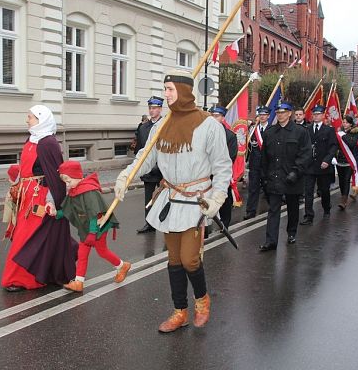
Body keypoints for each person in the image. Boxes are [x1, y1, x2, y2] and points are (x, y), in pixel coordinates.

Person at [114, 69, 231, 332]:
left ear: (184, 91)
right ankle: (180, 312)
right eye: (164, 89)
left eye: (170, 90)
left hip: (196, 199)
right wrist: (125, 176)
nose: (165, 95)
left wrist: (218, 197)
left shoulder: (208, 125)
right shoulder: (161, 125)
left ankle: (202, 301)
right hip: (170, 198)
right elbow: (145, 157)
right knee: (174, 260)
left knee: (190, 259)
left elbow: (223, 167)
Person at [1, 105, 78, 292]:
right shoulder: (31, 139)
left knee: (28, 238)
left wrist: (52, 201)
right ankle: (51, 270)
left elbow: (55, 176)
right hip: (26, 195)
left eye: (31, 117)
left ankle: (19, 279)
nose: (27, 120)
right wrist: (16, 179)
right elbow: (28, 168)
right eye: (28, 116)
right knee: (35, 236)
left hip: (40, 196)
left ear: (41, 120)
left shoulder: (48, 143)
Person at [56, 160, 131, 292]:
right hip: (87, 228)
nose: (67, 185)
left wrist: (92, 233)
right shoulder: (74, 189)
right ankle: (79, 282)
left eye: (69, 181)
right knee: (83, 253)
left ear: (77, 176)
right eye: (65, 182)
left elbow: (94, 213)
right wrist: (56, 213)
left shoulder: (89, 190)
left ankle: (122, 265)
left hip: (97, 227)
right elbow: (69, 208)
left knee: (102, 251)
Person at [259, 101, 311, 252]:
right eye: (278, 112)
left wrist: (296, 172)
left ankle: (291, 232)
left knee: (293, 208)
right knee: (273, 209)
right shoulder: (270, 132)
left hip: (292, 178)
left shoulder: (300, 132)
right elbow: (265, 157)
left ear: (290, 113)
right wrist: (264, 176)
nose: (280, 115)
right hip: (274, 177)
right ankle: (271, 241)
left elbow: (305, 154)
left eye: (283, 112)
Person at [300, 105, 337, 225]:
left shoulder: (329, 130)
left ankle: (326, 208)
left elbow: (333, 147)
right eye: (314, 114)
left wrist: (327, 160)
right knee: (308, 191)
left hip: (323, 165)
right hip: (310, 165)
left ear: (322, 115)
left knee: (324, 190)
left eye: (318, 114)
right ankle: (308, 215)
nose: (316, 116)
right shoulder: (307, 129)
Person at [135, 96, 164, 233]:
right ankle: (149, 224)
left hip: (164, 169)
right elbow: (140, 148)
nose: (152, 111)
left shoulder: (166, 125)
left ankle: (166, 223)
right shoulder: (143, 127)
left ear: (160, 109)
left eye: (155, 108)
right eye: (150, 108)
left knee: (165, 198)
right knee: (148, 198)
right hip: (149, 169)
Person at [209, 105, 238, 228]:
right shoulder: (205, 133)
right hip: (206, 173)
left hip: (221, 172)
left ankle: (225, 223)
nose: (214, 118)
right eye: (212, 116)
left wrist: (217, 166)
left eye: (216, 116)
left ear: (222, 118)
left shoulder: (230, 136)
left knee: (223, 197)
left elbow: (231, 156)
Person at [244, 106, 270, 220]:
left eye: (264, 114)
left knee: (268, 188)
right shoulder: (253, 130)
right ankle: (251, 211)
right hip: (254, 164)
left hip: (268, 165)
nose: (262, 116)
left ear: (268, 116)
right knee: (253, 188)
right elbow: (248, 146)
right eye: (260, 114)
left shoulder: (272, 129)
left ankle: (273, 207)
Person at [334, 115, 358, 210]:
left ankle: (344, 201)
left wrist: (343, 135)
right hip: (339, 159)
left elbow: (351, 144)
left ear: (350, 124)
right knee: (341, 181)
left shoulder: (355, 133)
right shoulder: (339, 132)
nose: (345, 124)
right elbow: (335, 145)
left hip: (349, 160)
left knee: (346, 180)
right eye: (344, 122)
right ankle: (343, 196)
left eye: (347, 122)